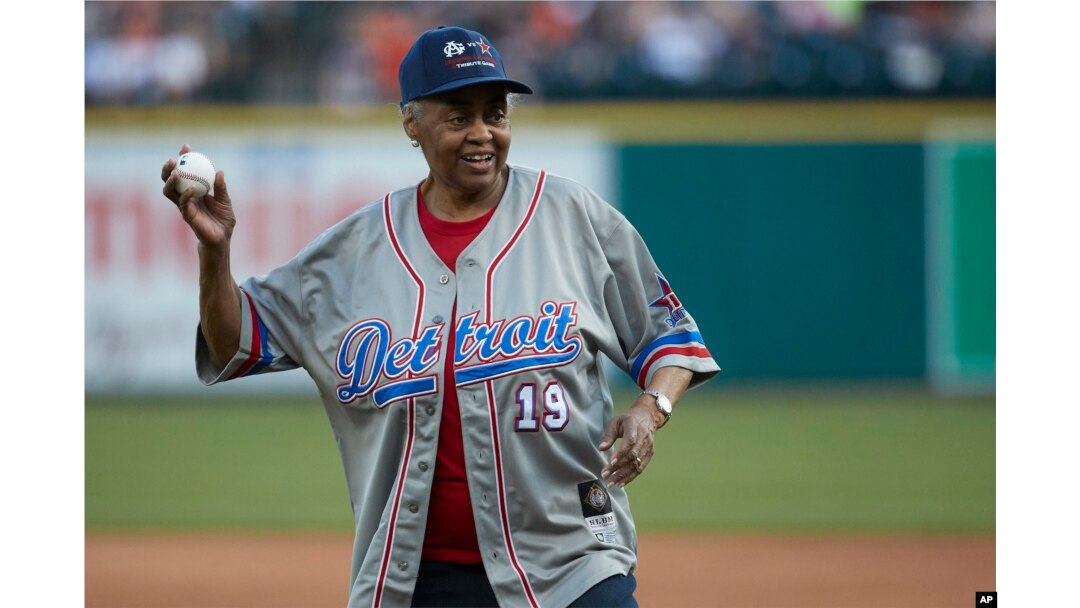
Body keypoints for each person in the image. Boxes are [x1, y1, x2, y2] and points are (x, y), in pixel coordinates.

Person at [161, 25, 718, 608]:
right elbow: (234, 343)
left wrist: (651, 410)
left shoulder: (574, 217)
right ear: (411, 124)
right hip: (414, 579)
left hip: (572, 566)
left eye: (495, 114)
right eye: (458, 116)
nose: (483, 133)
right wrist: (214, 253)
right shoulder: (354, 251)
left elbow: (669, 334)